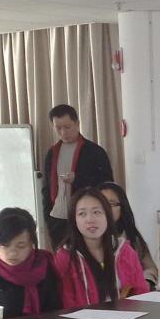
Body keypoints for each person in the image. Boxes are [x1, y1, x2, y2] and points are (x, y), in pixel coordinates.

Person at [54, 187, 148, 307]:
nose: (90, 219)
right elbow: (63, 304)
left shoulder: (125, 252)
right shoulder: (65, 258)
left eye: (96, 212)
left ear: (107, 216)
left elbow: (140, 295)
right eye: (82, 214)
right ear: (74, 221)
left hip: (123, 318)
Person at [40, 104, 114, 249]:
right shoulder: (52, 153)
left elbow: (107, 185)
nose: (63, 132)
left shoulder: (95, 152)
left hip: (85, 217)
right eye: (58, 128)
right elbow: (46, 187)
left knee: (85, 255)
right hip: (57, 218)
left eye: (67, 127)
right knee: (62, 258)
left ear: (77, 123)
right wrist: (47, 216)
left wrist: (78, 179)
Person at [99, 182, 159, 289]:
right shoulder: (90, 239)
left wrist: (145, 282)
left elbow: (150, 267)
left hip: (131, 294)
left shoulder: (131, 236)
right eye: (101, 204)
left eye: (111, 204)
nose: (106, 209)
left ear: (122, 207)